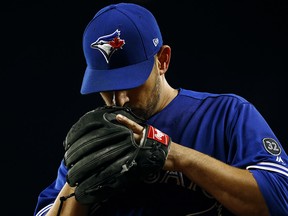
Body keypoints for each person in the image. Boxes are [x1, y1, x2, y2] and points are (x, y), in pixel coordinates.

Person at [34, 2, 288, 216]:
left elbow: (279, 202)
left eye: (130, 82)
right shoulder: (96, 138)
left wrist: (177, 156)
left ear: (162, 60)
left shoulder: (226, 114)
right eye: (106, 87)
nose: (118, 100)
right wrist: (77, 184)